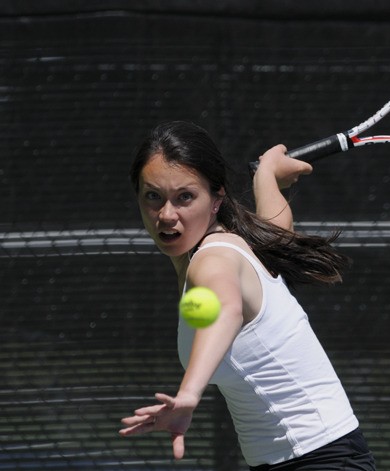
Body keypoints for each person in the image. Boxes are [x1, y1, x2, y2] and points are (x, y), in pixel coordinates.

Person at [119, 121, 376, 470]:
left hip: (319, 460)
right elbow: (278, 230)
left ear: (216, 199)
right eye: (153, 196)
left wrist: (189, 394)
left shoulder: (212, 259)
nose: (166, 214)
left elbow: (227, 309)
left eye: (185, 197)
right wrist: (267, 174)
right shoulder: (245, 242)